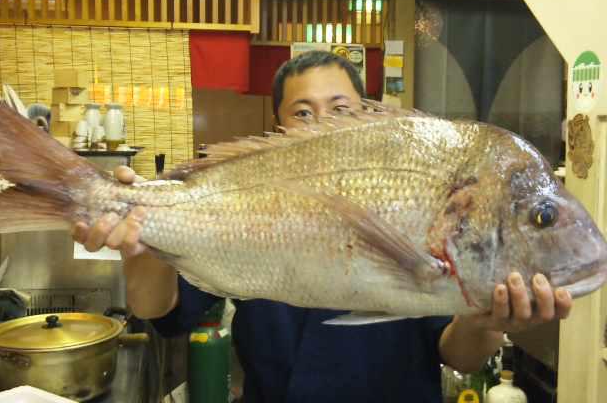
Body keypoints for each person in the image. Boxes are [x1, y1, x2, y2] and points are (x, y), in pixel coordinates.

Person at [73, 51, 572, 402]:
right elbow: (160, 310)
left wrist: (487, 322)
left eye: (340, 110)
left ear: (367, 117)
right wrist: (140, 240)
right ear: (279, 127)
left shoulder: (413, 199)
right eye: (303, 112)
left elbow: (458, 356)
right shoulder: (247, 194)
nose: (323, 124)